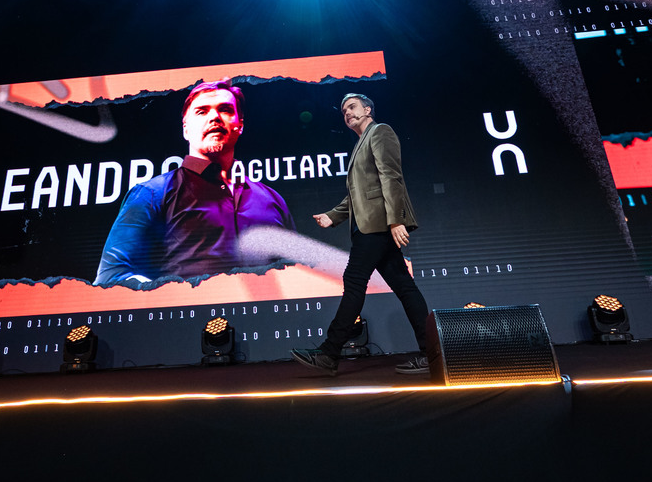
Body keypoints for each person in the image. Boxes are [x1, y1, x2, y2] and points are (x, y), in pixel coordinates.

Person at [93, 80, 294, 285]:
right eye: (201, 111)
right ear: (186, 129)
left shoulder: (272, 200)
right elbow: (111, 276)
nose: (214, 117)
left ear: (240, 125)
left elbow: (296, 276)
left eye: (225, 110)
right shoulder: (152, 193)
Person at [292, 93, 431, 376]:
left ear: (367, 109)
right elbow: (359, 195)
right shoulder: (361, 142)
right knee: (405, 286)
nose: (347, 113)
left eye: (352, 107)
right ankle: (432, 353)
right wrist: (333, 215)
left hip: (378, 225)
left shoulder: (380, 132)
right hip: (371, 225)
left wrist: (396, 220)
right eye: (343, 110)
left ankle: (329, 353)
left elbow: (390, 177)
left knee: (355, 281)